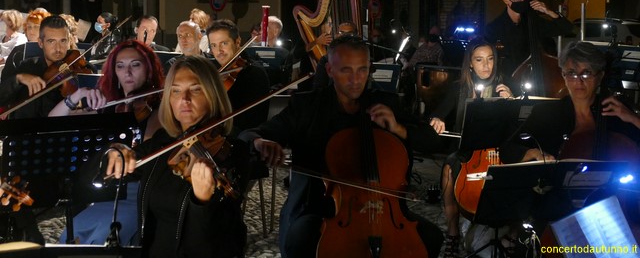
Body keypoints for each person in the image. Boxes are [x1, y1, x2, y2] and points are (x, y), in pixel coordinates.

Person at [239, 35, 444, 257]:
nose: (356, 79)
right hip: (317, 208)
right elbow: (250, 134)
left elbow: (432, 140)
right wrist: (261, 143)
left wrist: (398, 128)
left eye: (362, 70)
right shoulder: (307, 106)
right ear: (329, 70)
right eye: (346, 70)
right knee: (300, 241)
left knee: (431, 237)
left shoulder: (386, 103)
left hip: (383, 210)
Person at [103, 55, 250, 257]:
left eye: (196, 89)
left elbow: (220, 241)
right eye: (176, 90)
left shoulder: (234, 152)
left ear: (213, 95)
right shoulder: (163, 142)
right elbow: (102, 175)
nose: (184, 99)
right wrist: (115, 151)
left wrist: (202, 202)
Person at [499, 41, 640, 238]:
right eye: (571, 73)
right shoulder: (549, 113)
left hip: (614, 209)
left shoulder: (617, 111)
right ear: (563, 76)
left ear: (600, 76)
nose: (578, 81)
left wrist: (633, 118)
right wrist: (530, 152)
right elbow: (507, 149)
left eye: (586, 73)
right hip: (559, 209)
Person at [52, 39, 165, 245]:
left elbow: (145, 153)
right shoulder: (109, 105)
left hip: (136, 194)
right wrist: (78, 94)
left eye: (135, 65)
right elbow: (54, 122)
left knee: (106, 237)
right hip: (103, 194)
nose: (127, 72)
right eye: (120, 66)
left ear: (149, 71)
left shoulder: (157, 109)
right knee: (71, 237)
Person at [429, 39, 513, 257]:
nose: (486, 66)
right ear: (470, 64)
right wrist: (437, 119)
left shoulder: (505, 84)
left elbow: (520, 125)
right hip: (468, 153)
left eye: (490, 59)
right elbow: (438, 112)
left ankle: (512, 228)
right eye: (479, 60)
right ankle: (453, 233)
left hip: (498, 150)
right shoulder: (460, 88)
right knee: (448, 170)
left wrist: (512, 103)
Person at [484, 0, 573, 83]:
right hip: (507, 82)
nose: (522, 1)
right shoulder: (494, 28)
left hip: (537, 79)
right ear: (505, 0)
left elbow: (567, 28)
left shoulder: (533, 21)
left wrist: (548, 11)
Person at [0, 15, 86, 119]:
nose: (58, 48)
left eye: (63, 41)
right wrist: (19, 78)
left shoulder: (77, 68)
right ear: (40, 43)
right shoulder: (26, 67)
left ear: (69, 41)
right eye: (51, 41)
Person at [206, 19, 270, 131]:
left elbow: (251, 122)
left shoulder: (254, 74)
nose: (219, 51)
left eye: (224, 43)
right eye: (214, 45)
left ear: (238, 42)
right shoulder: (212, 71)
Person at [1, 9, 50, 81]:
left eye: (36, 27)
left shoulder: (50, 50)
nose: (31, 30)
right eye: (29, 27)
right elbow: (6, 78)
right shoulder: (18, 50)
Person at [311, 21, 357, 89]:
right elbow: (319, 88)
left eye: (349, 34)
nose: (345, 37)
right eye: (342, 33)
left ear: (357, 36)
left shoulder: (363, 58)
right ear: (337, 36)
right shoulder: (325, 60)